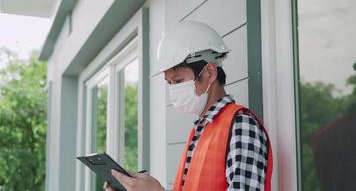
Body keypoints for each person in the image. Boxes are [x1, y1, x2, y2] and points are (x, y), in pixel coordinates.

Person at [104, 21, 273, 191]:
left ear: (209, 72)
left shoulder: (241, 125)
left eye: (178, 81)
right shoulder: (201, 129)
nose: (173, 89)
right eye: (169, 83)